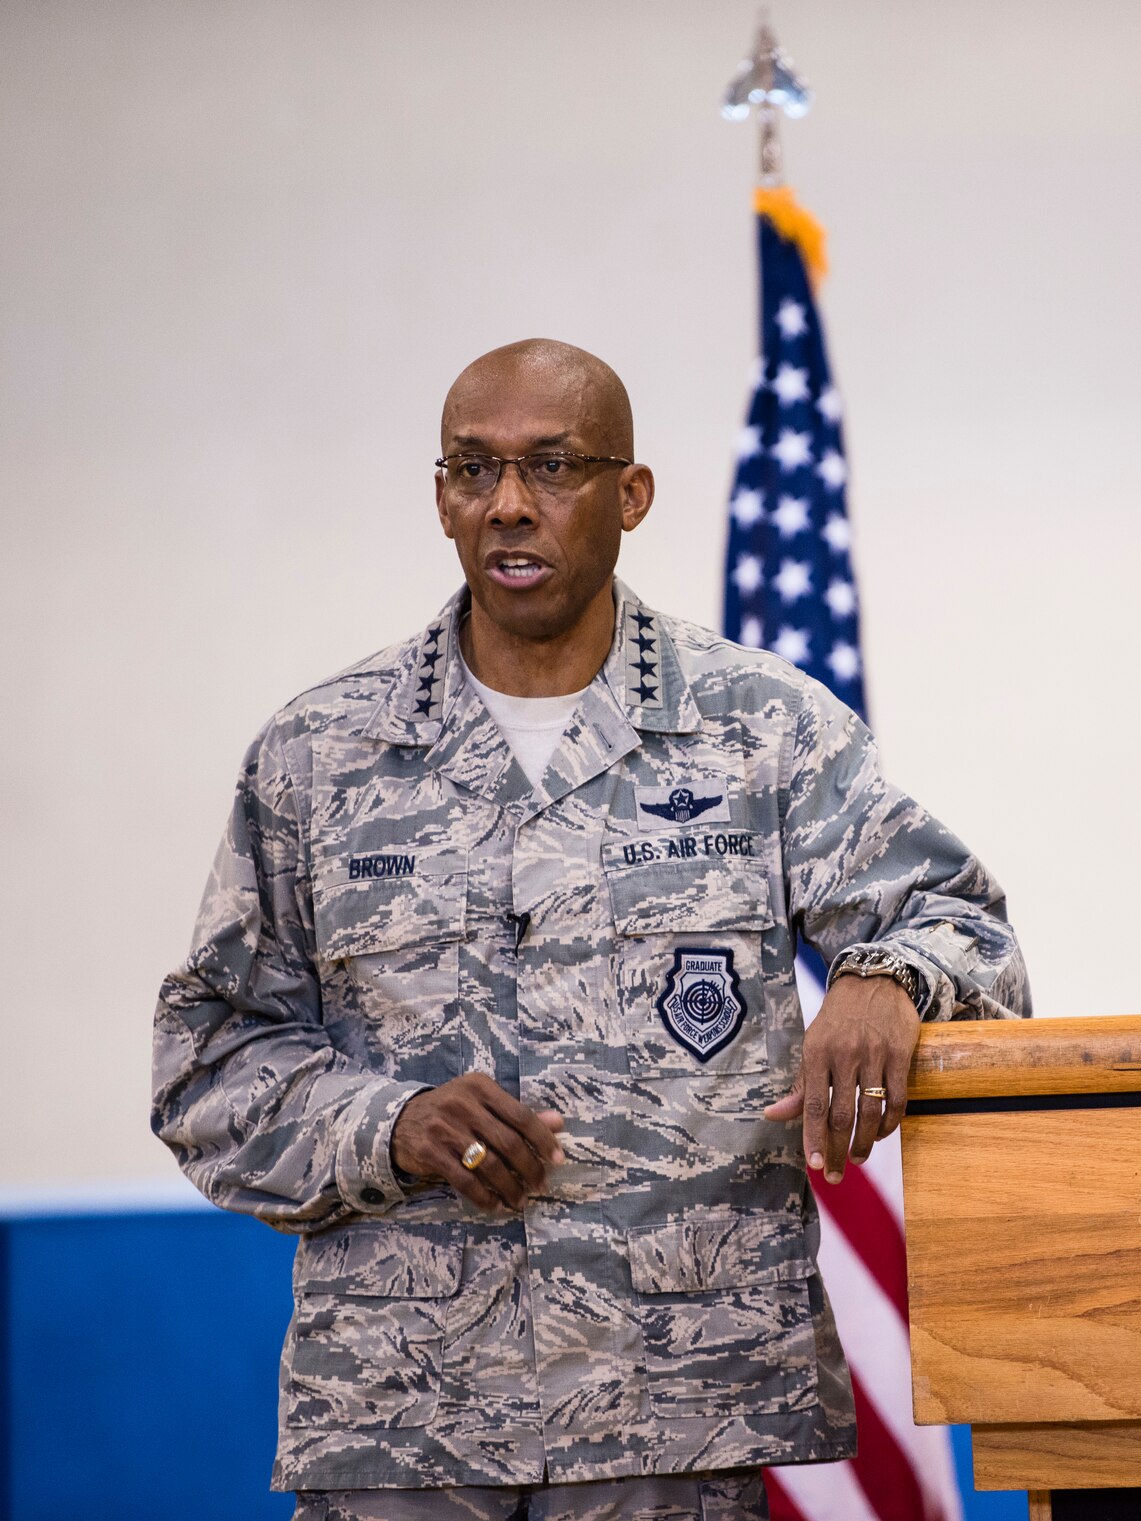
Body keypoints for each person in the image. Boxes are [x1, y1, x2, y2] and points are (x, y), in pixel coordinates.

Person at [151, 339, 1030, 1521]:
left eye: (551, 467)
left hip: (673, 1403)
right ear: (440, 497)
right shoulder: (319, 755)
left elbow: (963, 924)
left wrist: (882, 979)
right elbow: (207, 1063)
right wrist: (388, 1122)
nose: (508, 505)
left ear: (630, 495)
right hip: (404, 1419)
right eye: (473, 469)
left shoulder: (760, 730)